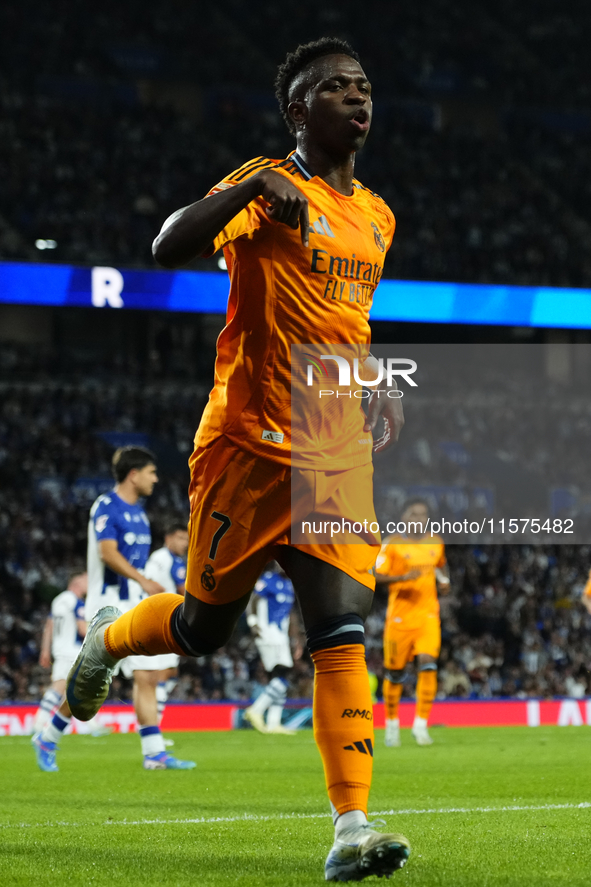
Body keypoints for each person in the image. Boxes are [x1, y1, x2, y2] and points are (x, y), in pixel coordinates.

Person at [66, 38, 410, 880]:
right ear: (298, 110)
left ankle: (351, 827)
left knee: (339, 630)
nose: (356, 99)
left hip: (332, 455)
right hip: (246, 449)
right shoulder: (264, 188)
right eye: (334, 88)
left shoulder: (379, 216)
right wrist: (252, 186)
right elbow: (165, 247)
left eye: (362, 87)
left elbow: (343, 322)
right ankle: (108, 639)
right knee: (200, 628)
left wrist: (372, 381)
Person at [35, 447, 195, 773]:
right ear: (133, 474)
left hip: (132, 604)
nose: (156, 478)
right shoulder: (106, 506)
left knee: (148, 675)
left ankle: (154, 753)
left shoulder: (141, 514)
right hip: (107, 606)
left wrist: (141, 585)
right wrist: (144, 580)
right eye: (151, 472)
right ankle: (48, 737)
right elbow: (107, 553)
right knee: (89, 682)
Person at [375, 499, 450, 748]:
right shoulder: (392, 545)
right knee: (395, 674)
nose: (419, 518)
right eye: (414, 514)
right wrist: (403, 577)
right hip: (399, 619)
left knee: (428, 663)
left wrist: (444, 580)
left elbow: (441, 565)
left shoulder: (435, 542)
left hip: (428, 616)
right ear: (404, 517)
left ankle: (420, 726)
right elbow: (375, 575)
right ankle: (392, 725)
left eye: (423, 514)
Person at [243, 562, 303, 734]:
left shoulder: (289, 585)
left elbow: (291, 613)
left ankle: (273, 723)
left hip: (281, 636)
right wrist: (253, 623)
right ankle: (255, 710)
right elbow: (253, 600)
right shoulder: (268, 579)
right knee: (283, 672)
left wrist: (296, 638)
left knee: (279, 676)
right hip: (267, 632)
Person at [144, 522, 189, 729]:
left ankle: (153, 722)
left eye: (187, 539)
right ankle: (154, 727)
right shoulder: (173, 561)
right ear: (168, 538)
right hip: (165, 622)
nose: (185, 543)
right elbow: (184, 592)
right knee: (163, 674)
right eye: (181, 538)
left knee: (170, 672)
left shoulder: (155, 558)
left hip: (156, 618)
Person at [34, 572, 88, 734]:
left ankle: (69, 726)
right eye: (86, 580)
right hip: (71, 650)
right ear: (77, 582)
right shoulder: (77, 603)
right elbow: (82, 629)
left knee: (71, 689)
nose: (88, 584)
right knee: (60, 687)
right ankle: (39, 721)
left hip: (59, 649)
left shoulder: (58, 600)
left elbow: (49, 626)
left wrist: (45, 650)